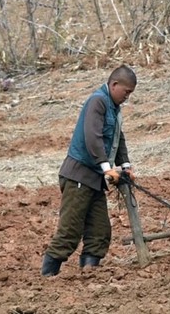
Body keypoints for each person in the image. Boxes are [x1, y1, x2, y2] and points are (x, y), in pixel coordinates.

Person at [41, 65, 138, 277]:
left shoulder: (114, 108)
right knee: (70, 232)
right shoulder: (98, 101)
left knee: (99, 232)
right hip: (79, 176)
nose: (127, 97)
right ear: (114, 85)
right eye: (126, 92)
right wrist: (107, 168)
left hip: (94, 180)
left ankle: (89, 274)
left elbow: (117, 138)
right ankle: (46, 278)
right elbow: (91, 137)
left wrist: (126, 166)